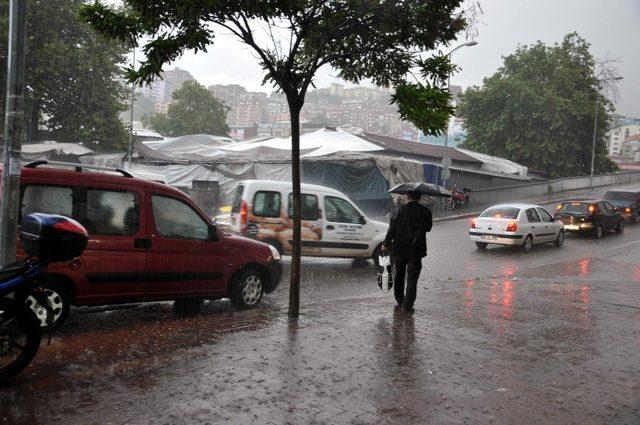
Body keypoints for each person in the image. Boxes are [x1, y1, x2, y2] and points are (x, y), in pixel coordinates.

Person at [382, 191, 433, 312]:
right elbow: (428, 228)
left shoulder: (399, 210)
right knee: (412, 278)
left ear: (407, 196)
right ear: (419, 197)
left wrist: (386, 243)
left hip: (399, 249)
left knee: (399, 275)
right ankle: (408, 305)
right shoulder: (425, 211)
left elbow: (392, 230)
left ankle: (400, 299)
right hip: (416, 250)